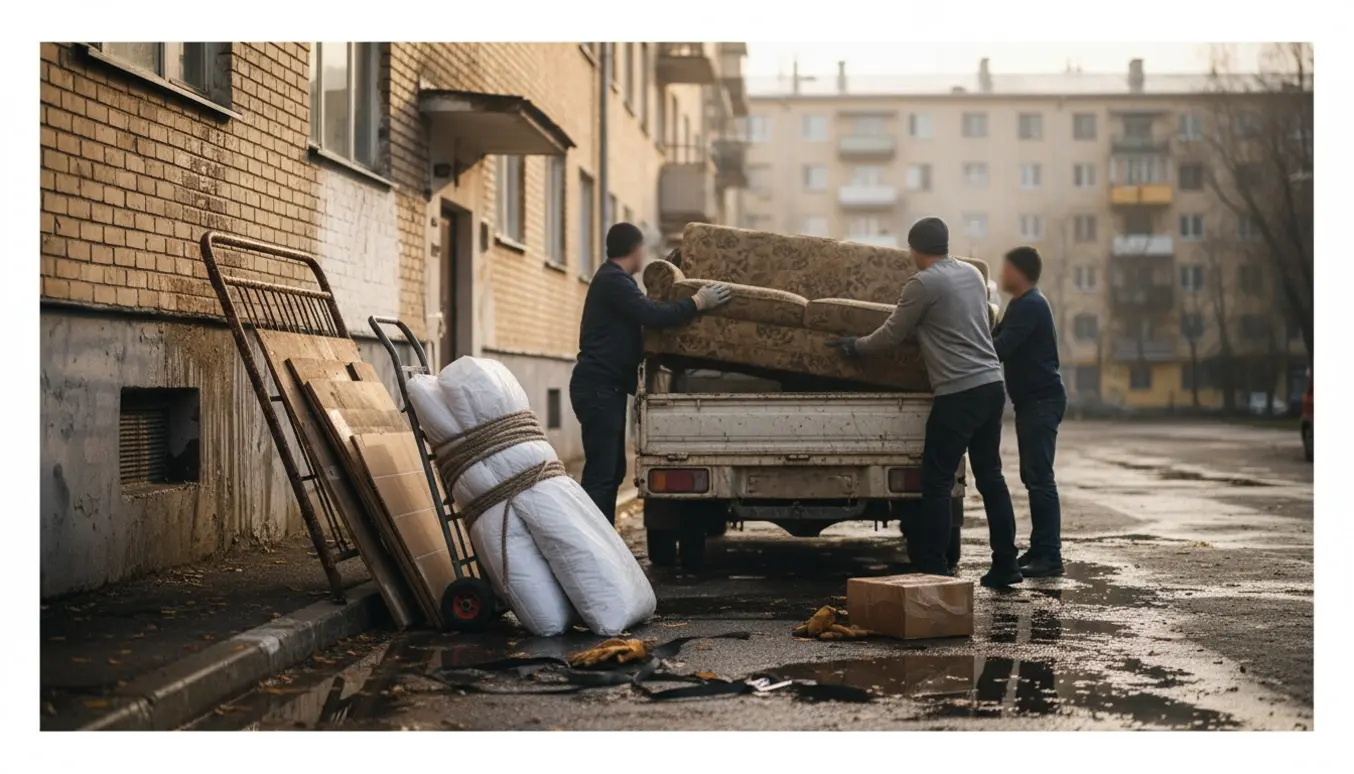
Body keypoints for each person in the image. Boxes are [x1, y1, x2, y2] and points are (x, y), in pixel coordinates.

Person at [826, 216, 1022, 587]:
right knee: (991, 478)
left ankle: (934, 568)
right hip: (992, 385)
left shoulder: (923, 283)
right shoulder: (971, 275)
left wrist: (855, 346)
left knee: (935, 483)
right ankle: (1006, 565)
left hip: (958, 391)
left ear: (915, 249)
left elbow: (893, 333)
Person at [570, 223, 731, 524]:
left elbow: (643, 308)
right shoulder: (614, 281)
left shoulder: (614, 280)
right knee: (603, 473)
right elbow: (652, 315)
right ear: (634, 248)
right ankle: (593, 541)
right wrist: (698, 302)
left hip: (603, 388)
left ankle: (599, 539)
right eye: (643, 247)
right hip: (599, 389)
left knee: (611, 470)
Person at [992, 246, 1067, 577]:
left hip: (1041, 400)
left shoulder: (1031, 305)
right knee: (1034, 477)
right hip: (1033, 401)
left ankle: (1049, 556)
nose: (1001, 274)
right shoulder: (1022, 304)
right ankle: (1040, 550)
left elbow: (1001, 347)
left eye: (1005, 269)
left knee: (1039, 479)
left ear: (1019, 272)